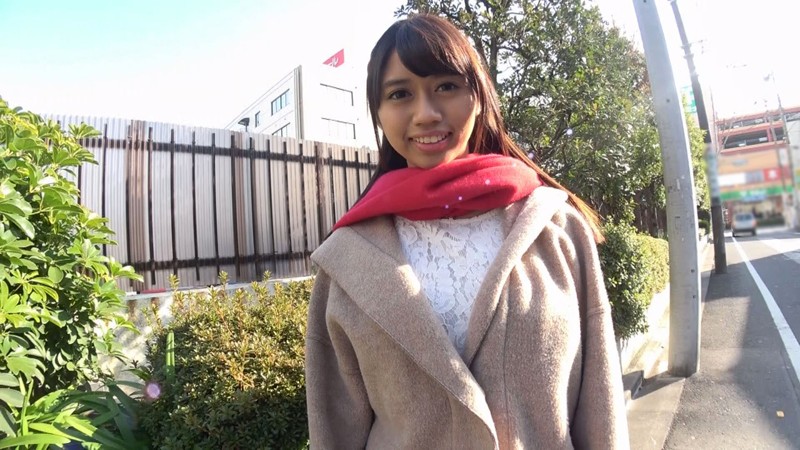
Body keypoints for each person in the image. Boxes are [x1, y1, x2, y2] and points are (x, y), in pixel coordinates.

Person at [305, 13, 629, 449]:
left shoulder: (557, 228)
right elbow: (335, 430)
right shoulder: (346, 261)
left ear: (478, 97)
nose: (426, 114)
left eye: (446, 86)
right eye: (400, 94)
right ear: (378, 114)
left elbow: (600, 402)